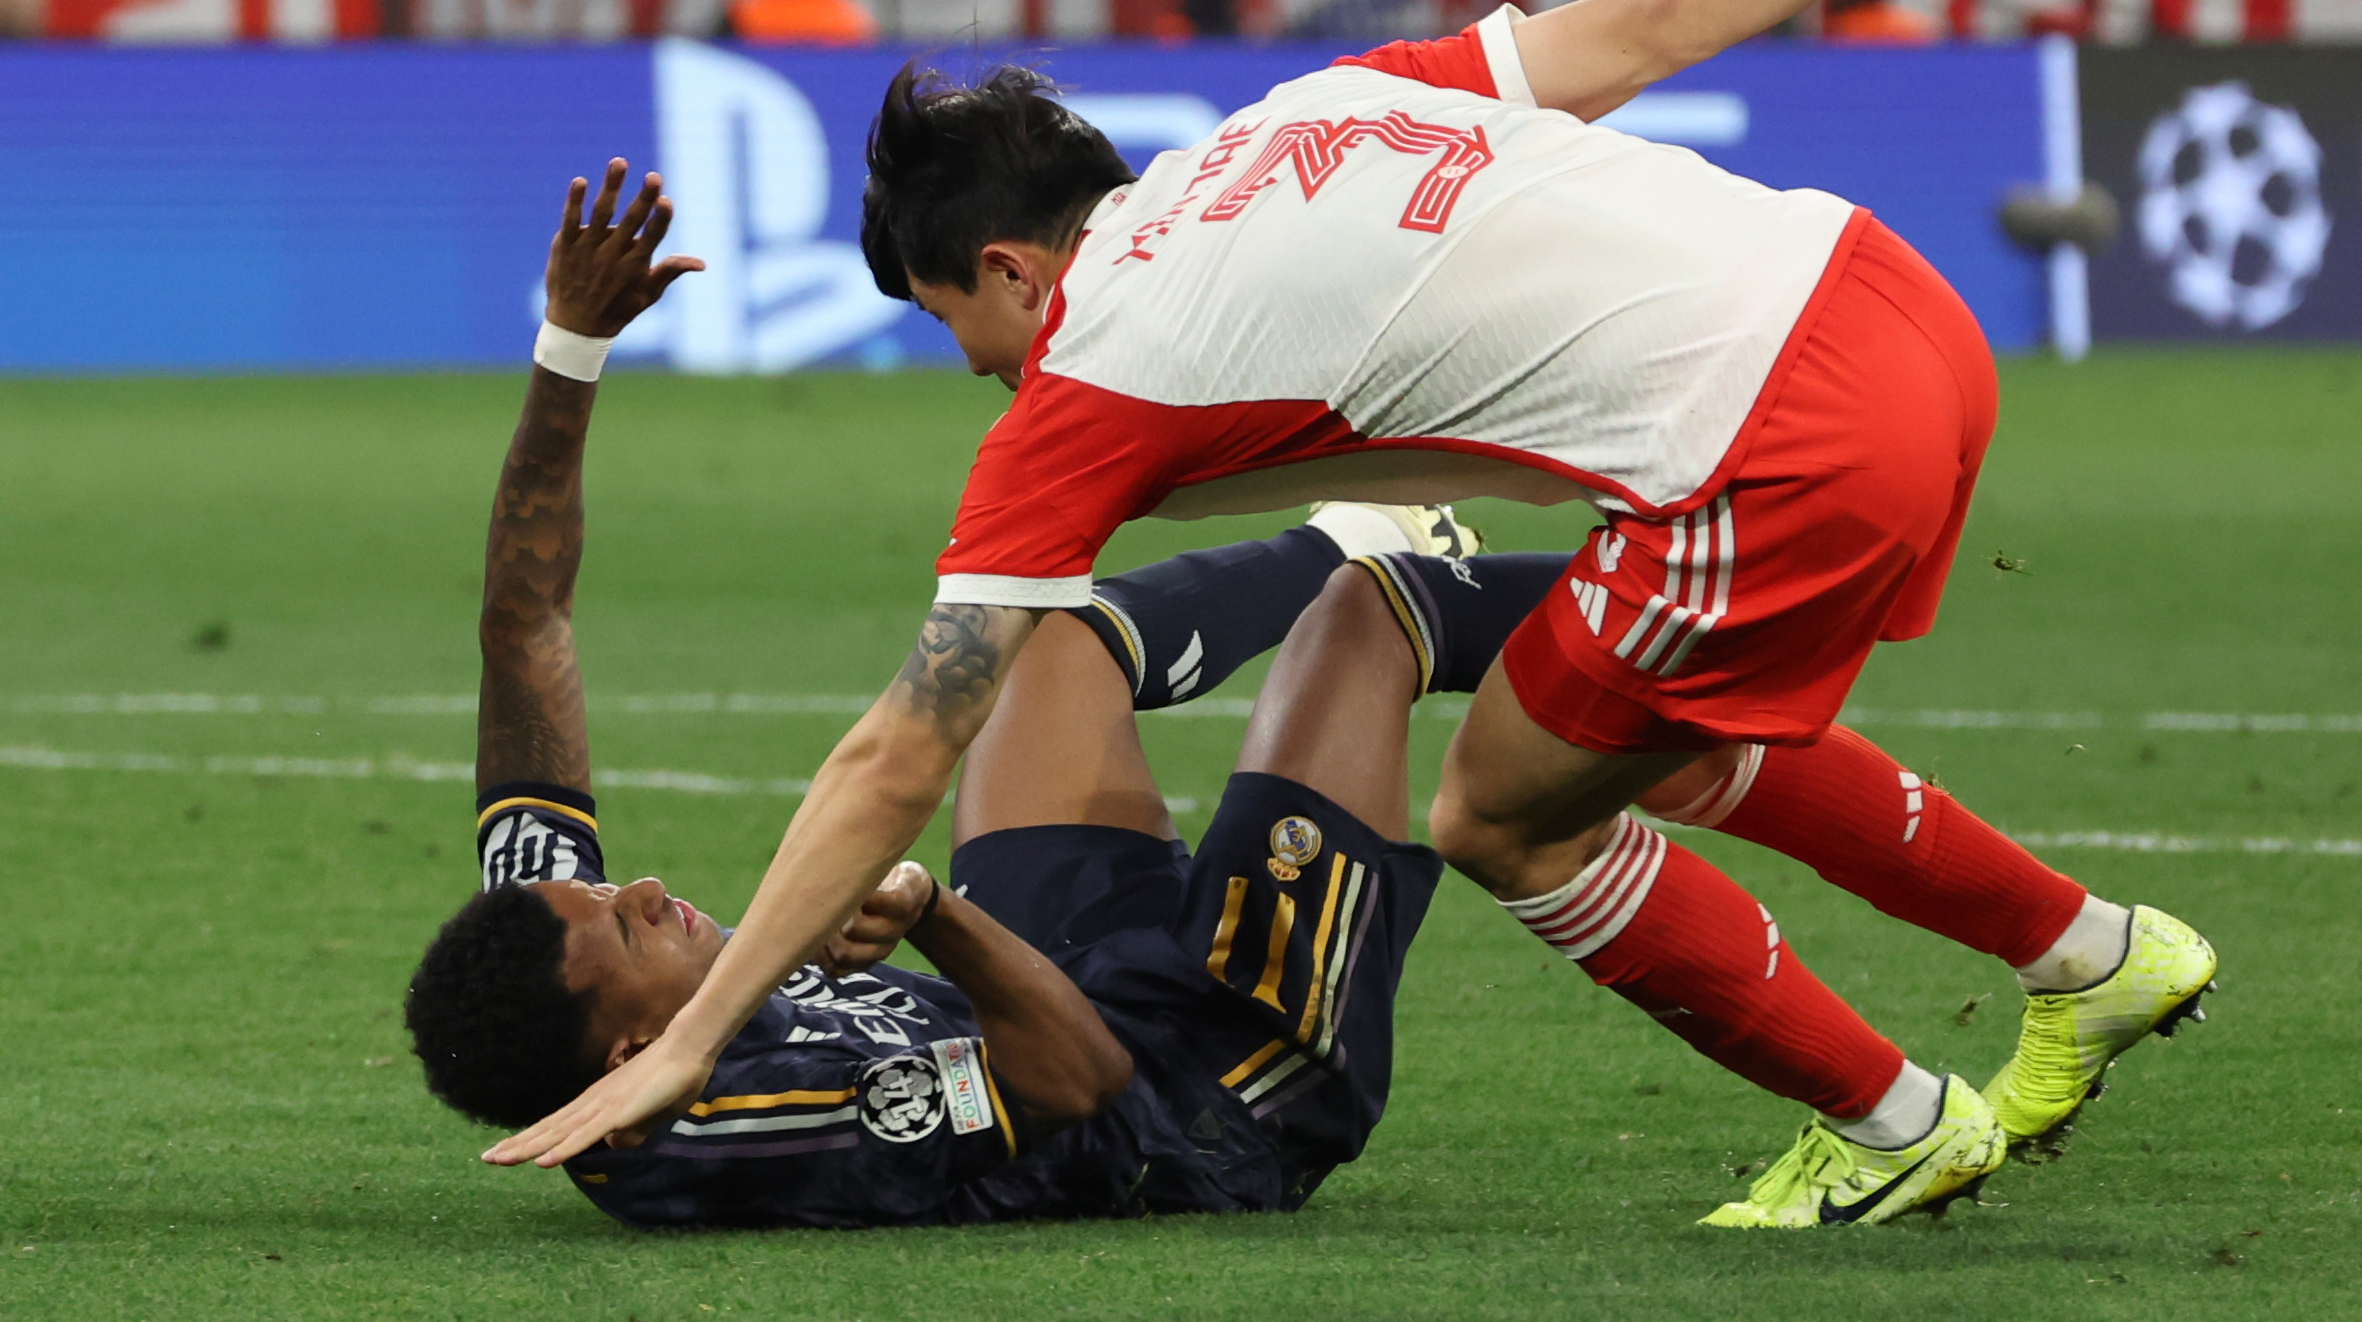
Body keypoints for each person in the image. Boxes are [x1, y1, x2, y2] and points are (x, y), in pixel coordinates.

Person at [489, 0, 2220, 1230]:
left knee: (1505, 816)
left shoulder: (1089, 378)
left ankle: (1892, 1117)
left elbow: (892, 757)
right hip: (1890, 300)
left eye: (958, 325)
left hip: (1770, 445)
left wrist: (690, 1036)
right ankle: (2083, 952)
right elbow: (1664, 13)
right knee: (1597, 714)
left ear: (1010, 268)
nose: (977, 373)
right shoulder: (1308, 113)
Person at [420, 162, 1574, 1226]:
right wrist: (930, 909)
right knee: (1370, 623)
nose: (647, 887)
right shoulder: (722, 1136)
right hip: (1213, 1097)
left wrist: (571, 345)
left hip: (1067, 979)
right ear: (627, 1057)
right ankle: (1701, 604)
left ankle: (1357, 527)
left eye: (611, 889)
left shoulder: (543, 965)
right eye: (628, 923)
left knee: (1047, 642)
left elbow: (524, 630)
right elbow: (1079, 1080)